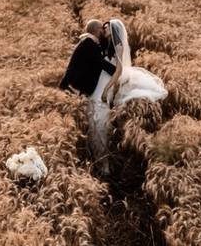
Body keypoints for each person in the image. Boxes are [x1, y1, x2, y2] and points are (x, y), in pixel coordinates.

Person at [59, 19, 117, 175]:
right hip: (81, 88)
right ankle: (100, 161)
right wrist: (121, 72)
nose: (104, 32)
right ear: (97, 30)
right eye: (102, 29)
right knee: (97, 122)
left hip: (90, 88)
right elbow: (101, 64)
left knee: (97, 121)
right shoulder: (89, 44)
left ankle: (100, 160)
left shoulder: (92, 44)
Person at [101, 18, 168, 106]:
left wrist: (106, 88)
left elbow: (119, 70)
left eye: (106, 27)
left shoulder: (118, 47)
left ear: (113, 30)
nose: (104, 29)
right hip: (106, 75)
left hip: (114, 77)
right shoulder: (107, 45)